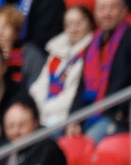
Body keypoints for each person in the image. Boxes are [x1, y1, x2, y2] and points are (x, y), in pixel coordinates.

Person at [78, 0, 131, 139]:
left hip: (121, 118)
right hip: (91, 116)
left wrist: (124, 107)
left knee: (87, 142)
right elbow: (81, 88)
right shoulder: (91, 46)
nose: (106, 14)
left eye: (112, 8)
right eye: (102, 9)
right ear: (95, 13)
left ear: (124, 11)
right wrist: (73, 121)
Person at [31, 2, 93, 130]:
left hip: (64, 117)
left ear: (90, 24)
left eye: (79, 23)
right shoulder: (56, 51)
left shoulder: (91, 54)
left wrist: (45, 108)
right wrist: (36, 106)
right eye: (69, 24)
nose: (73, 29)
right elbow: (40, 84)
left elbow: (74, 94)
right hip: (43, 113)